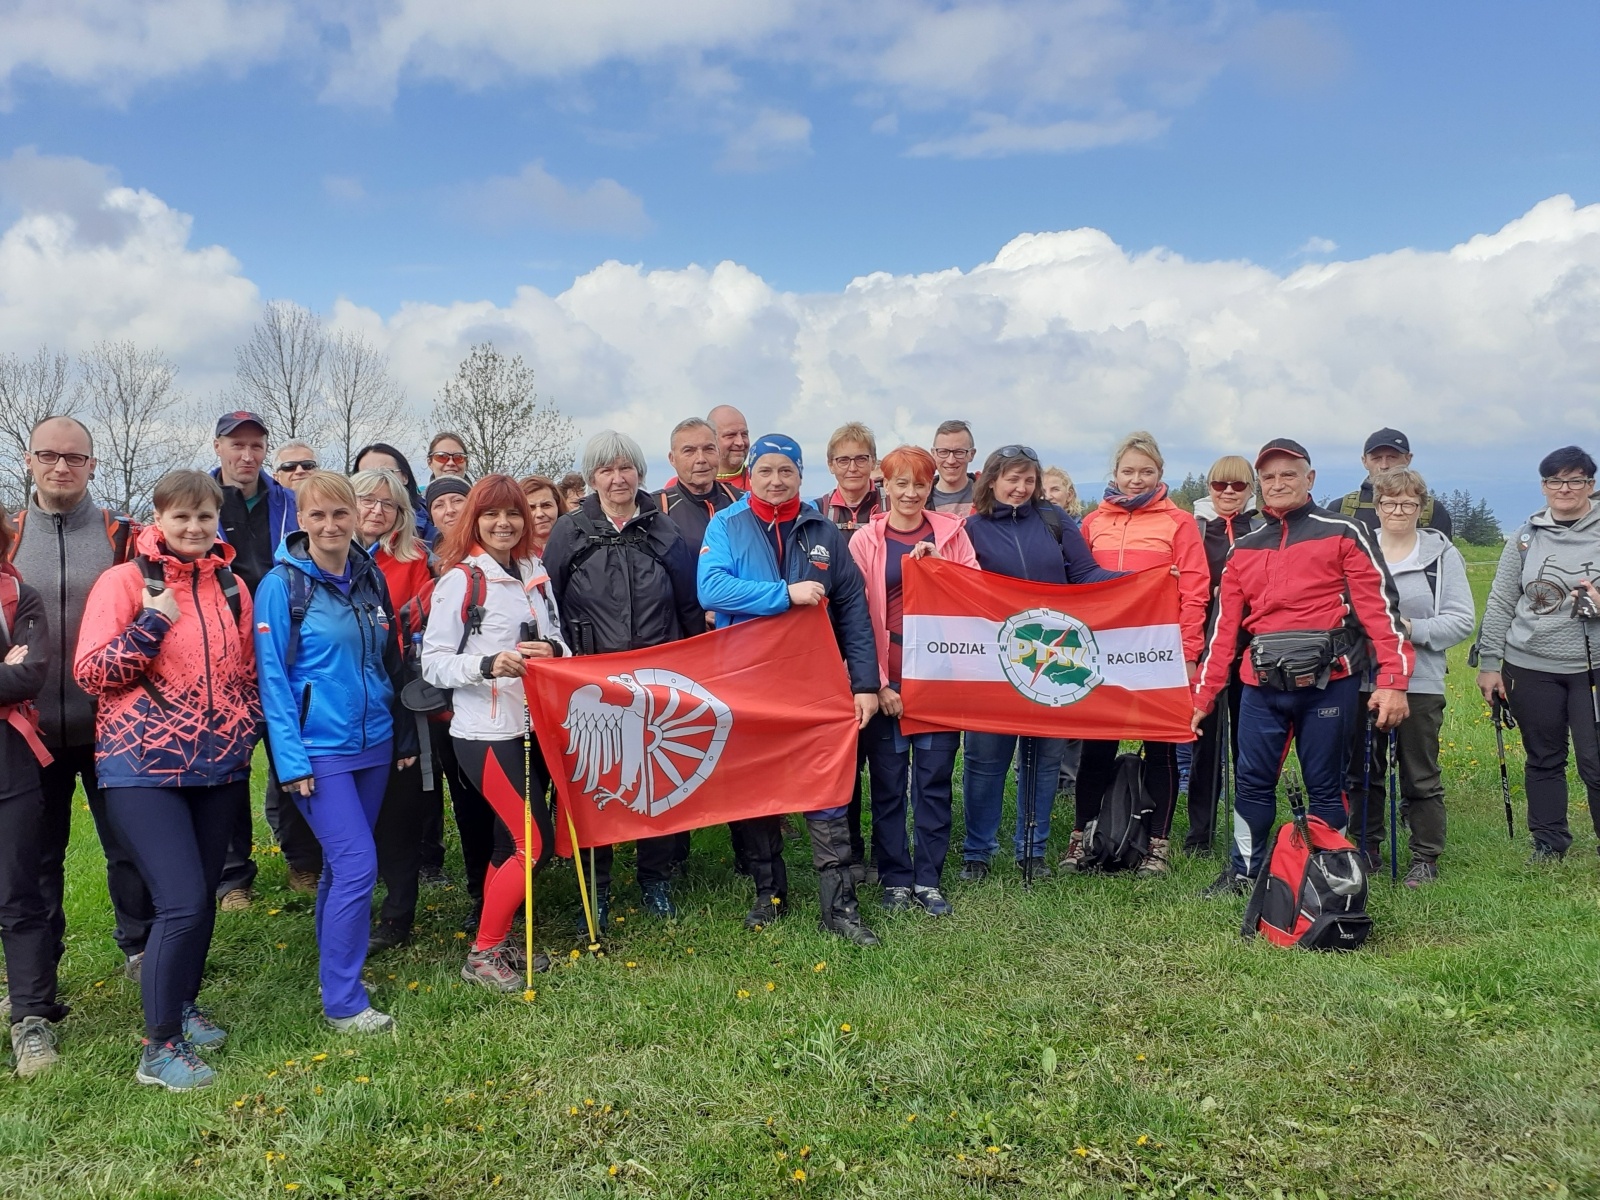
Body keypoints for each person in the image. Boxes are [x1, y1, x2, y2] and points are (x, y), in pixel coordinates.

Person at [76, 470, 262, 1090]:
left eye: (204, 518)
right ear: (158, 519)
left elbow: (249, 673)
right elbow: (92, 671)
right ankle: (158, 1049)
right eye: (181, 517)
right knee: (179, 901)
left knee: (201, 899)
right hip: (141, 767)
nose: (193, 528)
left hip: (218, 767)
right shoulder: (124, 582)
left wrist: (245, 728)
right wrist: (151, 623)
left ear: (217, 522)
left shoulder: (233, 586)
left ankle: (182, 1003)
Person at [1192, 439, 1411, 898]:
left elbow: (1380, 613)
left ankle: (1328, 873)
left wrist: (1392, 682)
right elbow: (1223, 631)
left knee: (1326, 786)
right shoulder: (1243, 549)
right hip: (1260, 685)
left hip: (1328, 683)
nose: (1277, 484)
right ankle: (1244, 872)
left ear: (1309, 479)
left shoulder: (1345, 532)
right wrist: (1204, 696)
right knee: (1251, 782)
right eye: (1268, 477)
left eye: (1288, 474)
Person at [698, 433, 882, 945]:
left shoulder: (824, 530)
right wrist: (784, 594)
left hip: (814, 684)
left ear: (802, 476)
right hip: (749, 684)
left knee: (825, 790)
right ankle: (768, 894)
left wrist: (865, 683)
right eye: (766, 471)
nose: (776, 481)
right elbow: (709, 589)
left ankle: (840, 906)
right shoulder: (727, 524)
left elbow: (854, 613)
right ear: (749, 475)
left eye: (787, 471)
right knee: (759, 789)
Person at [254, 471, 416, 1033]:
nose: (329, 525)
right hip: (317, 749)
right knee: (355, 867)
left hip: (372, 742)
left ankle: (333, 970)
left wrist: (400, 734)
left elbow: (386, 661)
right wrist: (291, 760)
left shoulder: (370, 575)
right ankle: (344, 1003)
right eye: (317, 515)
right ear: (300, 520)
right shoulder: (281, 585)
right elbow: (272, 678)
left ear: (356, 516)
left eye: (339, 514)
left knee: (339, 870)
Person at [6, 416, 152, 992]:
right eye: (49, 455)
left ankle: (143, 953)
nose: (61, 467)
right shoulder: (8, 534)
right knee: (35, 859)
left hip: (113, 726)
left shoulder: (124, 535)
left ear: (93, 464)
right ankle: (38, 973)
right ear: (28, 460)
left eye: (74, 457)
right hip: (28, 731)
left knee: (130, 848)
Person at [543, 431, 704, 923]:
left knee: (651, 780)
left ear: (639, 472)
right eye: (606, 470)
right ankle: (598, 886)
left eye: (626, 468)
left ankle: (655, 878)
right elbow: (549, 604)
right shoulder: (569, 532)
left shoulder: (663, 530)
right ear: (592, 478)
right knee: (598, 782)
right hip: (592, 686)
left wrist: (696, 665)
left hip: (658, 679)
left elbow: (689, 604)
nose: (618, 478)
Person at [422, 476, 569, 991]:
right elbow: (433, 664)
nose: (503, 523)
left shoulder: (534, 571)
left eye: (513, 514)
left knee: (512, 841)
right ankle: (483, 954)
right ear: (475, 521)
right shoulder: (461, 580)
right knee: (532, 843)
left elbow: (560, 643)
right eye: (491, 515)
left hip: (532, 725)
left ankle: (498, 938)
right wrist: (488, 664)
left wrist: (553, 652)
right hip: (483, 732)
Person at [959, 445, 1117, 880]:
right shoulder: (969, 529)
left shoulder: (1054, 520)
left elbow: (1087, 574)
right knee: (985, 759)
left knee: (1045, 757)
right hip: (995, 662)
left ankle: (1033, 850)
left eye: (1028, 480)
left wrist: (1145, 580)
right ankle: (978, 852)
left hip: (1053, 656)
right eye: (1012, 479)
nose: (1021, 488)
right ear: (991, 480)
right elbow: (956, 584)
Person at [1070, 432, 1209, 877]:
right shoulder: (1092, 522)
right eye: (1128, 471)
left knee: (1162, 745)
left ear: (1160, 475)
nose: (1136, 480)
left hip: (1158, 651)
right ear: (1114, 474)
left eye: (1145, 472)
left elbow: (1195, 590)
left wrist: (1188, 653)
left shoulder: (1179, 522)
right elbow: (1077, 583)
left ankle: (1157, 845)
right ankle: (1082, 837)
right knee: (1096, 745)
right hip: (1103, 651)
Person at [849, 446, 977, 916]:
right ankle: (894, 877)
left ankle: (928, 877)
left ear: (931, 486)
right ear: (885, 486)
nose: (910, 492)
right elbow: (856, 616)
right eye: (900, 483)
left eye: (919, 484)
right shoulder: (865, 540)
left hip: (940, 678)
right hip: (888, 677)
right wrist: (878, 683)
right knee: (887, 786)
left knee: (934, 782)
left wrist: (941, 564)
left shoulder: (952, 535)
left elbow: (976, 596)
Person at [1341, 467, 1473, 886]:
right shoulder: (1359, 550)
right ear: (1377, 507)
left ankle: (1425, 857)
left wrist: (1412, 629)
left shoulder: (1441, 556)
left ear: (1421, 508)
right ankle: (1366, 848)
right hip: (1363, 676)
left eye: (1408, 503)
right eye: (1390, 502)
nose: (1399, 510)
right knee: (1362, 770)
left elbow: (1461, 620)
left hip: (1420, 681)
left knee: (1419, 772)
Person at [1476, 445, 1600, 863]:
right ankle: (1548, 843)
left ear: (1590, 484)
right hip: (1528, 663)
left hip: (1592, 665)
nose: (1565, 488)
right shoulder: (1525, 536)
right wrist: (1490, 663)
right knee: (1544, 756)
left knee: (1595, 760)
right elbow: (1500, 601)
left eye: (1575, 479)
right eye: (1555, 480)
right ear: (1544, 486)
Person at [211, 409, 304, 910]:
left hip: (284, 650)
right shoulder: (197, 501)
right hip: (222, 655)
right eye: (236, 445)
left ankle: (302, 861)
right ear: (218, 447)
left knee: (291, 752)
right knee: (230, 765)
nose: (247, 456)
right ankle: (232, 878)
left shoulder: (289, 504)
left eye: (256, 446)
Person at [351, 469, 436, 949]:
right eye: (367, 501)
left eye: (389, 504)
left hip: (397, 692)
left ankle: (398, 914)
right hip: (345, 701)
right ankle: (350, 909)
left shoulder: (413, 561)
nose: (377, 511)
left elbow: (415, 625)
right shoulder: (325, 560)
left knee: (399, 812)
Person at [0, 502, 66, 1078]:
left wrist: (12, 671)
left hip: (11, 762)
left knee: (20, 890)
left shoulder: (21, 596)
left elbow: (29, 674)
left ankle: (30, 1017)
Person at [811, 421, 886, 876]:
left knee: (886, 761)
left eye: (861, 458)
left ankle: (886, 848)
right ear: (830, 465)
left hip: (883, 636)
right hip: (831, 644)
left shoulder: (896, 505)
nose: (853, 467)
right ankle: (851, 848)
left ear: (874, 463)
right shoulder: (817, 513)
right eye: (844, 459)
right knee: (846, 755)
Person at [1181, 455, 1260, 856]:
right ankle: (1200, 833)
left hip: (1253, 650)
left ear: (1251, 489)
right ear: (1209, 487)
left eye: (1239, 486)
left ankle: (1248, 828)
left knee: (1248, 746)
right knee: (1204, 746)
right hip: (1206, 648)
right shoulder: (1193, 528)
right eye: (1220, 485)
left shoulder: (1263, 527)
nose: (1228, 493)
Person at [1337, 428, 1454, 540]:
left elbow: (1440, 556)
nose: (1384, 466)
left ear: (1408, 459)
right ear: (1364, 461)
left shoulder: (1432, 510)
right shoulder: (1340, 509)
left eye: (1392, 457)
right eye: (1376, 458)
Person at [656, 418, 742, 557]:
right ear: (672, 459)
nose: (701, 459)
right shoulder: (656, 510)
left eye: (708, 449)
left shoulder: (742, 502)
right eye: (689, 451)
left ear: (718, 453)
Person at [353, 443, 434, 546]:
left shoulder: (432, 518)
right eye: (367, 473)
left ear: (405, 477)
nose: (378, 478)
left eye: (387, 471)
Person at [929, 420, 979, 515]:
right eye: (943, 452)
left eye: (959, 452)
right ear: (933, 454)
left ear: (971, 454)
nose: (951, 461)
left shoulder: (991, 497)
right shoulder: (918, 501)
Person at [519, 474, 565, 557]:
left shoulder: (578, 546)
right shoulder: (511, 555)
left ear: (558, 506)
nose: (540, 514)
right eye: (531, 508)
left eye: (546, 505)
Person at [708, 404, 752, 491]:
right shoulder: (684, 486)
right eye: (731, 435)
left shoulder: (763, 482)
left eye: (744, 434)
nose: (740, 442)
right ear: (711, 439)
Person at [425, 476, 471, 549]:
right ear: (432, 518)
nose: (450, 510)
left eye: (457, 501)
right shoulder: (427, 557)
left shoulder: (492, 551)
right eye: (439, 505)